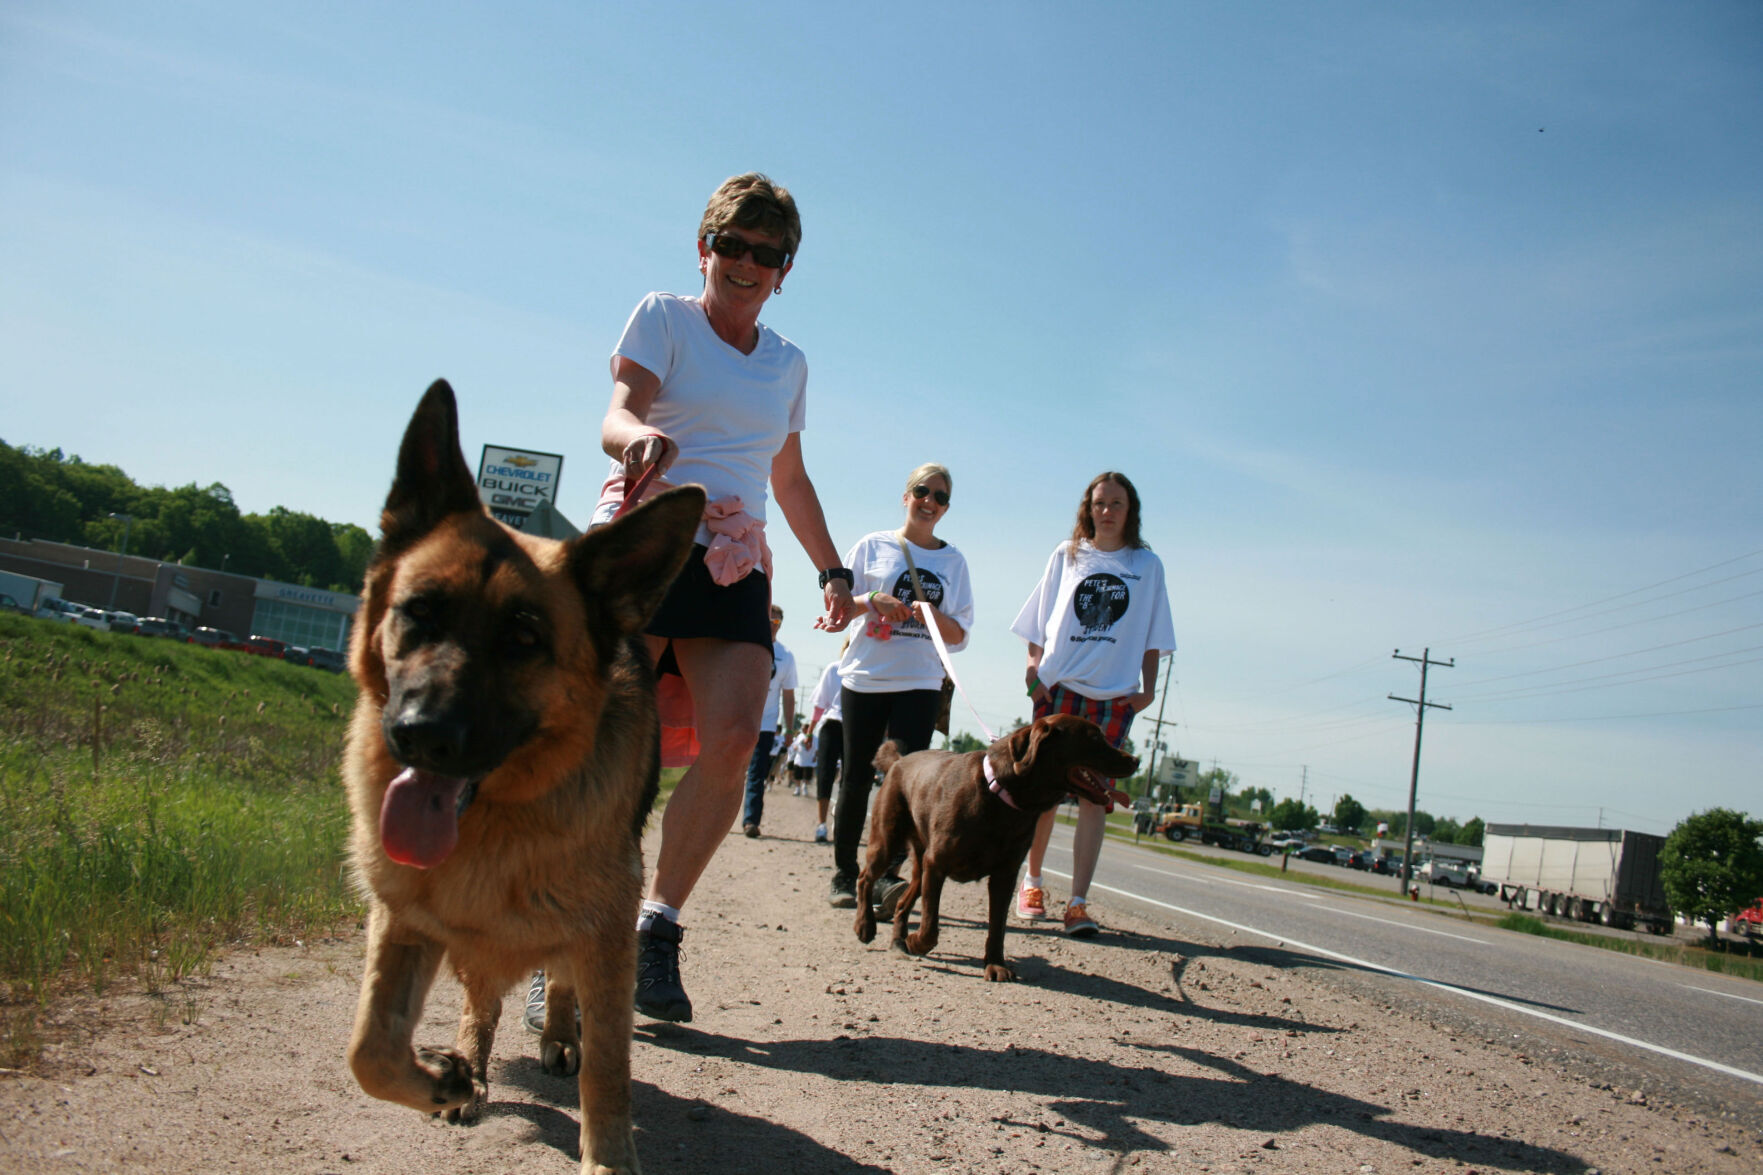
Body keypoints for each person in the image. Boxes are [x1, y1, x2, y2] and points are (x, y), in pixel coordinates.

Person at [526, 173, 854, 1032]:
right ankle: (551, 935)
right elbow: (617, 411)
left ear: (785, 270)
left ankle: (655, 927)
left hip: (733, 552)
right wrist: (642, 442)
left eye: (766, 253)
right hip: (647, 526)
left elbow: (787, 476)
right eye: (732, 245)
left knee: (737, 733)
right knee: (595, 741)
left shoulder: (788, 363)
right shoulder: (664, 317)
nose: (746, 263)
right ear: (704, 248)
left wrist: (831, 570)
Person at [1012, 472, 1173, 937]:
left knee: (1094, 800)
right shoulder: (1067, 556)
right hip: (1059, 688)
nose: (1107, 512)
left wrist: (1147, 689)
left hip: (1112, 694)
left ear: (1130, 511)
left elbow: (1153, 633)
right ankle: (1033, 883)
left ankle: (1078, 904)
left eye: (1117, 504)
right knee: (1042, 794)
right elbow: (1037, 624)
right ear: (1088, 507)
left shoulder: (1147, 565)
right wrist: (1032, 674)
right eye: (1100, 503)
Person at [827, 463, 973, 910]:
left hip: (921, 684)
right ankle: (844, 876)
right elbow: (838, 610)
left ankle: (888, 877)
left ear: (946, 509)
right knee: (855, 778)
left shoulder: (953, 562)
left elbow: (960, 635)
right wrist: (873, 599)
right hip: (866, 678)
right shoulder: (873, 546)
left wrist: (931, 613)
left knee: (905, 784)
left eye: (940, 497)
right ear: (905, 495)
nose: (929, 502)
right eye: (922, 491)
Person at [742, 604, 797, 837]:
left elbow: (788, 694)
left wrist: (789, 727)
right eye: (769, 618)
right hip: (739, 717)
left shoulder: (785, 656)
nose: (772, 624)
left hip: (765, 724)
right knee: (729, 769)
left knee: (757, 773)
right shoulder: (747, 645)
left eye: (777, 620)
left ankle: (750, 821)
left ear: (781, 624)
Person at [805, 653, 845, 842]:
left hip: (856, 726)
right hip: (831, 724)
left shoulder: (868, 670)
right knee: (825, 773)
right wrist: (809, 732)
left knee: (851, 776)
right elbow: (820, 704)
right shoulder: (834, 669)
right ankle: (821, 824)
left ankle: (842, 817)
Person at [787, 720, 816, 796]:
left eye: (803, 728)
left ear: (808, 729)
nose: (802, 729)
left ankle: (804, 787)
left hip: (809, 760)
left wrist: (816, 756)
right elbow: (793, 744)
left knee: (807, 776)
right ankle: (797, 789)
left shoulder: (814, 738)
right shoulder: (800, 736)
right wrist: (795, 747)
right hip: (799, 759)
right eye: (802, 728)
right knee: (797, 775)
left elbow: (818, 749)